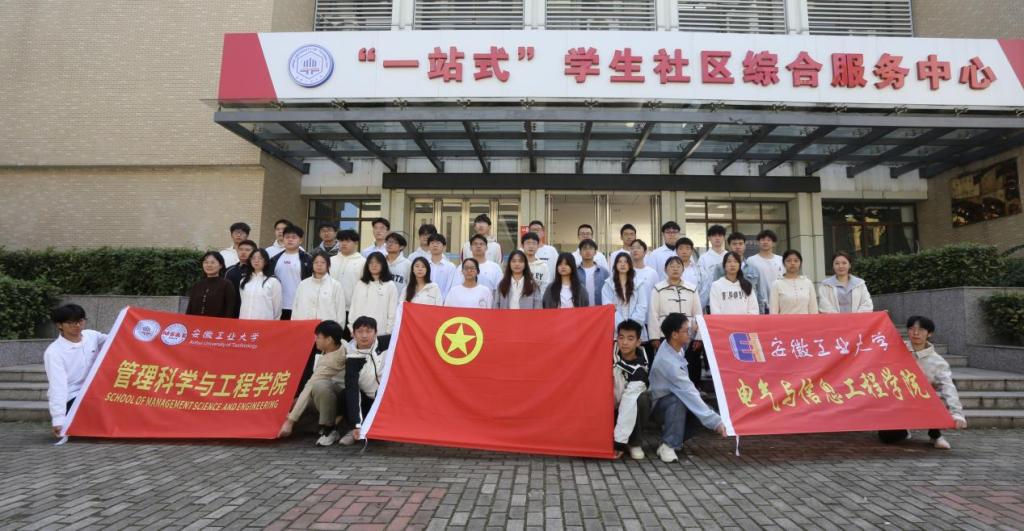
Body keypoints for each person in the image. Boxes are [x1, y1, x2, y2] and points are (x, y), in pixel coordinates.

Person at [878, 316, 967, 449]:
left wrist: (957, 413)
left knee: (931, 397)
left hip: (924, 400)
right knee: (887, 438)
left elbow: (948, 387)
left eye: (921, 330)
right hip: (896, 399)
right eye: (911, 329)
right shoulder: (895, 349)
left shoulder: (938, 362)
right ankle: (904, 429)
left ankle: (935, 435)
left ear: (929, 333)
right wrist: (880, 320)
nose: (915, 333)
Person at [649, 313, 728, 463]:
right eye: (686, 330)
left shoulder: (673, 347)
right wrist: (717, 423)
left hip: (671, 399)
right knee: (681, 401)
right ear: (674, 335)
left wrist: (713, 418)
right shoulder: (668, 363)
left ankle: (672, 439)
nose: (690, 332)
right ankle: (668, 445)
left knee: (704, 411)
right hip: (659, 406)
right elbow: (688, 391)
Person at [44, 304, 107, 437]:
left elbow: (116, 340)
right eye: (71, 323)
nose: (77, 325)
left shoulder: (92, 336)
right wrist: (58, 419)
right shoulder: (54, 352)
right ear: (59, 325)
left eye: (80, 321)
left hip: (95, 390)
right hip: (73, 396)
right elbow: (58, 386)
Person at [279, 320, 345, 445]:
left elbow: (310, 386)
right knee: (294, 403)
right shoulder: (339, 344)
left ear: (329, 340)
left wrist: (290, 421)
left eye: (318, 337)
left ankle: (329, 429)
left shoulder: (333, 360)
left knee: (320, 386)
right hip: (328, 395)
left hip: (340, 399)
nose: (316, 340)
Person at [648, 257, 703, 375]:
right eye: (672, 266)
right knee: (667, 368)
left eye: (678, 266)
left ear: (683, 269)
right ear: (665, 269)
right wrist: (654, 337)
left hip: (688, 335)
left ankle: (692, 385)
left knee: (691, 365)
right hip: (665, 335)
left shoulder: (691, 289)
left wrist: (699, 337)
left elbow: (698, 314)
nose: (675, 269)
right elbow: (653, 313)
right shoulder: (658, 289)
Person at [612, 319, 651, 460]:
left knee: (642, 399)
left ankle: (634, 442)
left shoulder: (640, 370)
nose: (624, 342)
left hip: (627, 410)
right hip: (605, 409)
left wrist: (619, 443)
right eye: (621, 337)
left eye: (630, 338)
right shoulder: (607, 354)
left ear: (638, 342)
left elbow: (628, 403)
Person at [348, 252, 398, 346]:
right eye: (371, 263)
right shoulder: (360, 284)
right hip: (360, 332)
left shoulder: (390, 285)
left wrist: (388, 332)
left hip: (381, 333)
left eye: (377, 263)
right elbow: (353, 307)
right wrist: (352, 328)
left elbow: (392, 312)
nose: (374, 265)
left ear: (383, 265)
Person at [706, 232, 764, 312]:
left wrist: (761, 313)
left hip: (749, 310)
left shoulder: (753, 269)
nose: (737, 247)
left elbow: (760, 293)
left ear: (745, 245)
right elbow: (715, 291)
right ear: (729, 246)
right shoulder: (720, 268)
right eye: (734, 244)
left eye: (740, 244)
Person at [602, 254, 650, 341]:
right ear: (615, 265)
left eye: (626, 262)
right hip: (616, 330)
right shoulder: (608, 284)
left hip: (635, 328)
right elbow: (608, 307)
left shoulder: (639, 284)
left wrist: (632, 325)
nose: (623, 264)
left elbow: (642, 306)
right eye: (620, 262)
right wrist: (621, 326)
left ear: (630, 265)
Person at [269, 225, 313, 320]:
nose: (290, 240)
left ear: (300, 240)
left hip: (300, 305)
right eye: (287, 237)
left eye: (294, 237)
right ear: (283, 239)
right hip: (278, 306)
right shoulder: (274, 260)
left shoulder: (308, 259)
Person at [329, 229, 367, 330]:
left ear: (356, 243)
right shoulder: (330, 261)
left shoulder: (363, 262)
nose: (344, 244)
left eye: (348, 241)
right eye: (341, 241)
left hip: (352, 309)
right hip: (330, 307)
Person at [292, 253, 347, 322]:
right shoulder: (303, 284)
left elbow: (340, 311)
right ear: (312, 264)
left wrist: (338, 327)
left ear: (328, 265)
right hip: (304, 325)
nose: (319, 265)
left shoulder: (335, 285)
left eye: (323, 262)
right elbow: (295, 308)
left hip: (326, 326)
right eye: (316, 262)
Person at [185, 251, 237, 317]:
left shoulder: (227, 284)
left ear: (220, 265)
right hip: (196, 322)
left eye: (213, 262)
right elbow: (190, 308)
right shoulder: (197, 285)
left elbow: (230, 308)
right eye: (206, 262)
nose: (209, 265)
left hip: (217, 322)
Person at [746, 229, 785, 313]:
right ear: (758, 242)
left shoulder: (781, 260)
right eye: (763, 239)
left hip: (780, 302)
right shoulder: (751, 260)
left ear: (773, 243)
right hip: (760, 303)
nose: (765, 242)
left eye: (768, 240)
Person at [769, 250, 818, 315]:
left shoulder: (808, 283)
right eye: (788, 261)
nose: (792, 263)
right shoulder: (777, 284)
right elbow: (773, 310)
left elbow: (813, 308)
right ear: (783, 263)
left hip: (805, 321)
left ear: (800, 263)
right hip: (784, 320)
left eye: (796, 261)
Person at [238, 248, 282, 320]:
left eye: (260, 258)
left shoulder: (273, 281)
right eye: (253, 258)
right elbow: (243, 301)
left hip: (264, 322)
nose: (256, 261)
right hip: (244, 321)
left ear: (265, 261)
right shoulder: (244, 280)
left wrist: (274, 323)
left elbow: (277, 308)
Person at [697, 224, 728, 312]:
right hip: (710, 300)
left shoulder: (729, 256)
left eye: (720, 235)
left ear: (724, 238)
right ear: (709, 238)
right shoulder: (703, 258)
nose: (717, 238)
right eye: (714, 235)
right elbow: (701, 281)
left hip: (728, 298)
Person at [224, 239, 257, 317]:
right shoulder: (229, 271)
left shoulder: (257, 271)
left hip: (251, 312)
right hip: (232, 311)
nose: (243, 252)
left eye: (247, 250)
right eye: (241, 249)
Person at [576, 239, 609, 305]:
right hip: (580, 308)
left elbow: (609, 291)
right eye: (584, 248)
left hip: (600, 308)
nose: (588, 251)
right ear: (580, 252)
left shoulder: (603, 272)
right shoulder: (575, 272)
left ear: (595, 252)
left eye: (590, 248)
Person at [385, 232, 411, 309]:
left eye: (394, 242)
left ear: (401, 247)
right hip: (382, 304)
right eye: (388, 242)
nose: (390, 244)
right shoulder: (381, 262)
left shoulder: (407, 264)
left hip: (398, 305)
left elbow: (410, 285)